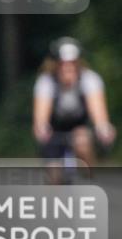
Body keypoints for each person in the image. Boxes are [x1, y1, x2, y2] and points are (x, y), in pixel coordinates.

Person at [32, 37, 116, 173]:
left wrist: (103, 128)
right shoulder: (46, 82)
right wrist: (41, 129)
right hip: (55, 130)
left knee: (82, 140)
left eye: (72, 63)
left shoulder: (90, 79)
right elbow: (41, 116)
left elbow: (98, 112)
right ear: (55, 64)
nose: (67, 68)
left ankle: (88, 178)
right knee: (54, 174)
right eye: (63, 63)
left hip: (79, 126)